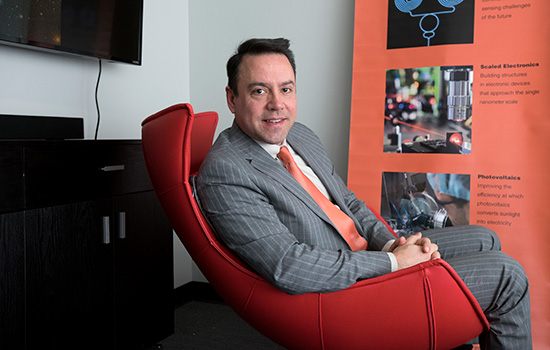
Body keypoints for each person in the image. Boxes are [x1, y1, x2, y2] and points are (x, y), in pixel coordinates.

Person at [197, 38, 532, 349]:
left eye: (286, 89)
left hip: (366, 255)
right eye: (259, 91)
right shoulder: (227, 169)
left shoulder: (300, 135)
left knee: (485, 239)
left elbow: (350, 204)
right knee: (508, 275)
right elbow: (288, 265)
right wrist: (393, 262)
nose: (277, 105)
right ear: (232, 98)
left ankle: (443, 331)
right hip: (342, 294)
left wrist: (392, 244)